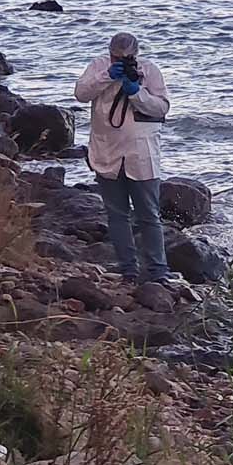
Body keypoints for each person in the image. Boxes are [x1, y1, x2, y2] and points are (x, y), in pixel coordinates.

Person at [74, 32, 173, 283]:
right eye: (116, 57)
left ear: (136, 55)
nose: (121, 60)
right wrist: (108, 76)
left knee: (149, 215)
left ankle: (157, 271)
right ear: (109, 54)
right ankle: (128, 270)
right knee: (117, 215)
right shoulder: (99, 67)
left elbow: (161, 108)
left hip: (141, 154)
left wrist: (136, 91)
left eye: (126, 58)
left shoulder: (150, 71)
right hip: (107, 151)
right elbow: (81, 94)